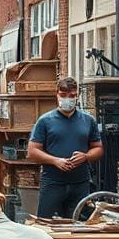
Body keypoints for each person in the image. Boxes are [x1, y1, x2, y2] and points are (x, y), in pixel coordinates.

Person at [27, 77, 104, 219]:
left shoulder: (88, 120)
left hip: (80, 183)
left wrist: (86, 156)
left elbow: (98, 148)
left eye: (72, 96)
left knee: (79, 227)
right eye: (63, 95)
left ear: (77, 95)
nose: (68, 99)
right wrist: (55, 161)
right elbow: (32, 152)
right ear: (56, 94)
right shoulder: (45, 121)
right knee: (46, 223)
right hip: (53, 182)